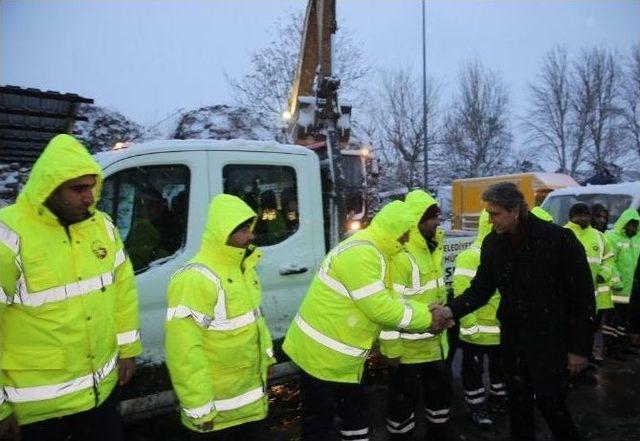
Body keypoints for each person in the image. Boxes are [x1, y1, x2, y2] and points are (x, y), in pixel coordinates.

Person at [0, 134, 142, 441]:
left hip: (100, 397)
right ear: (49, 187)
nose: (89, 197)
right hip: (37, 410)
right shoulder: (8, 235)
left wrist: (128, 349)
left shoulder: (102, 226)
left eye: (91, 187)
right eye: (78, 189)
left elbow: (123, 292)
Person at [431, 182, 595, 441]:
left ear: (515, 210)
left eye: (495, 213)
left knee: (552, 406)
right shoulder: (493, 244)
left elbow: (583, 297)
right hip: (513, 342)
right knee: (518, 409)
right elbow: (480, 290)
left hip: (551, 342)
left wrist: (579, 349)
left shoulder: (558, 240)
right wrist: (449, 311)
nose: (489, 219)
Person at [282, 200, 436, 441]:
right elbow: (381, 310)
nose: (407, 240)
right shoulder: (362, 253)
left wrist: (424, 308)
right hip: (321, 356)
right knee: (320, 422)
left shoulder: (377, 251)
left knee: (352, 415)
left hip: (342, 356)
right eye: (406, 233)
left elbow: (389, 299)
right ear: (395, 231)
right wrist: (429, 317)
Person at [165, 194, 275, 440]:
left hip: (249, 407)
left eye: (251, 228)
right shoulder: (195, 279)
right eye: (244, 230)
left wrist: (267, 360)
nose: (251, 236)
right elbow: (184, 353)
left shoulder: (243, 269)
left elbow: (256, 322)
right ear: (223, 232)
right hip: (216, 416)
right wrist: (200, 411)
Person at [379, 190, 452, 440]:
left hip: (435, 348)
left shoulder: (435, 249)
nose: (438, 222)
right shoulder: (402, 257)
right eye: (433, 217)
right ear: (417, 220)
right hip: (407, 355)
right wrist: (392, 351)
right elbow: (388, 308)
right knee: (401, 410)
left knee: (440, 403)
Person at [452, 210, 505, 430]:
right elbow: (463, 293)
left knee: (500, 370)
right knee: (473, 371)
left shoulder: (506, 252)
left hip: (501, 330)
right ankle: (476, 406)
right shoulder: (470, 256)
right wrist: (470, 326)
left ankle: (498, 400)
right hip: (476, 330)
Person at [564, 203, 616, 375]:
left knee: (589, 330)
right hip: (569, 296)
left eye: (586, 215)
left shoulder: (599, 236)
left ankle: (586, 360)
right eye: (579, 215)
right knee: (570, 332)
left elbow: (609, 258)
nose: (583, 218)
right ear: (571, 217)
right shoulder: (563, 234)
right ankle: (568, 364)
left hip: (594, 296)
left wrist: (604, 274)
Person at [605, 208, 640, 356]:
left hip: (630, 288)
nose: (632, 227)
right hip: (616, 287)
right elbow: (609, 261)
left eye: (635, 225)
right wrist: (616, 281)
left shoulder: (637, 239)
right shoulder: (612, 237)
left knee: (623, 320)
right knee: (612, 320)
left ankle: (620, 345)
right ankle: (611, 347)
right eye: (630, 224)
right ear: (623, 223)